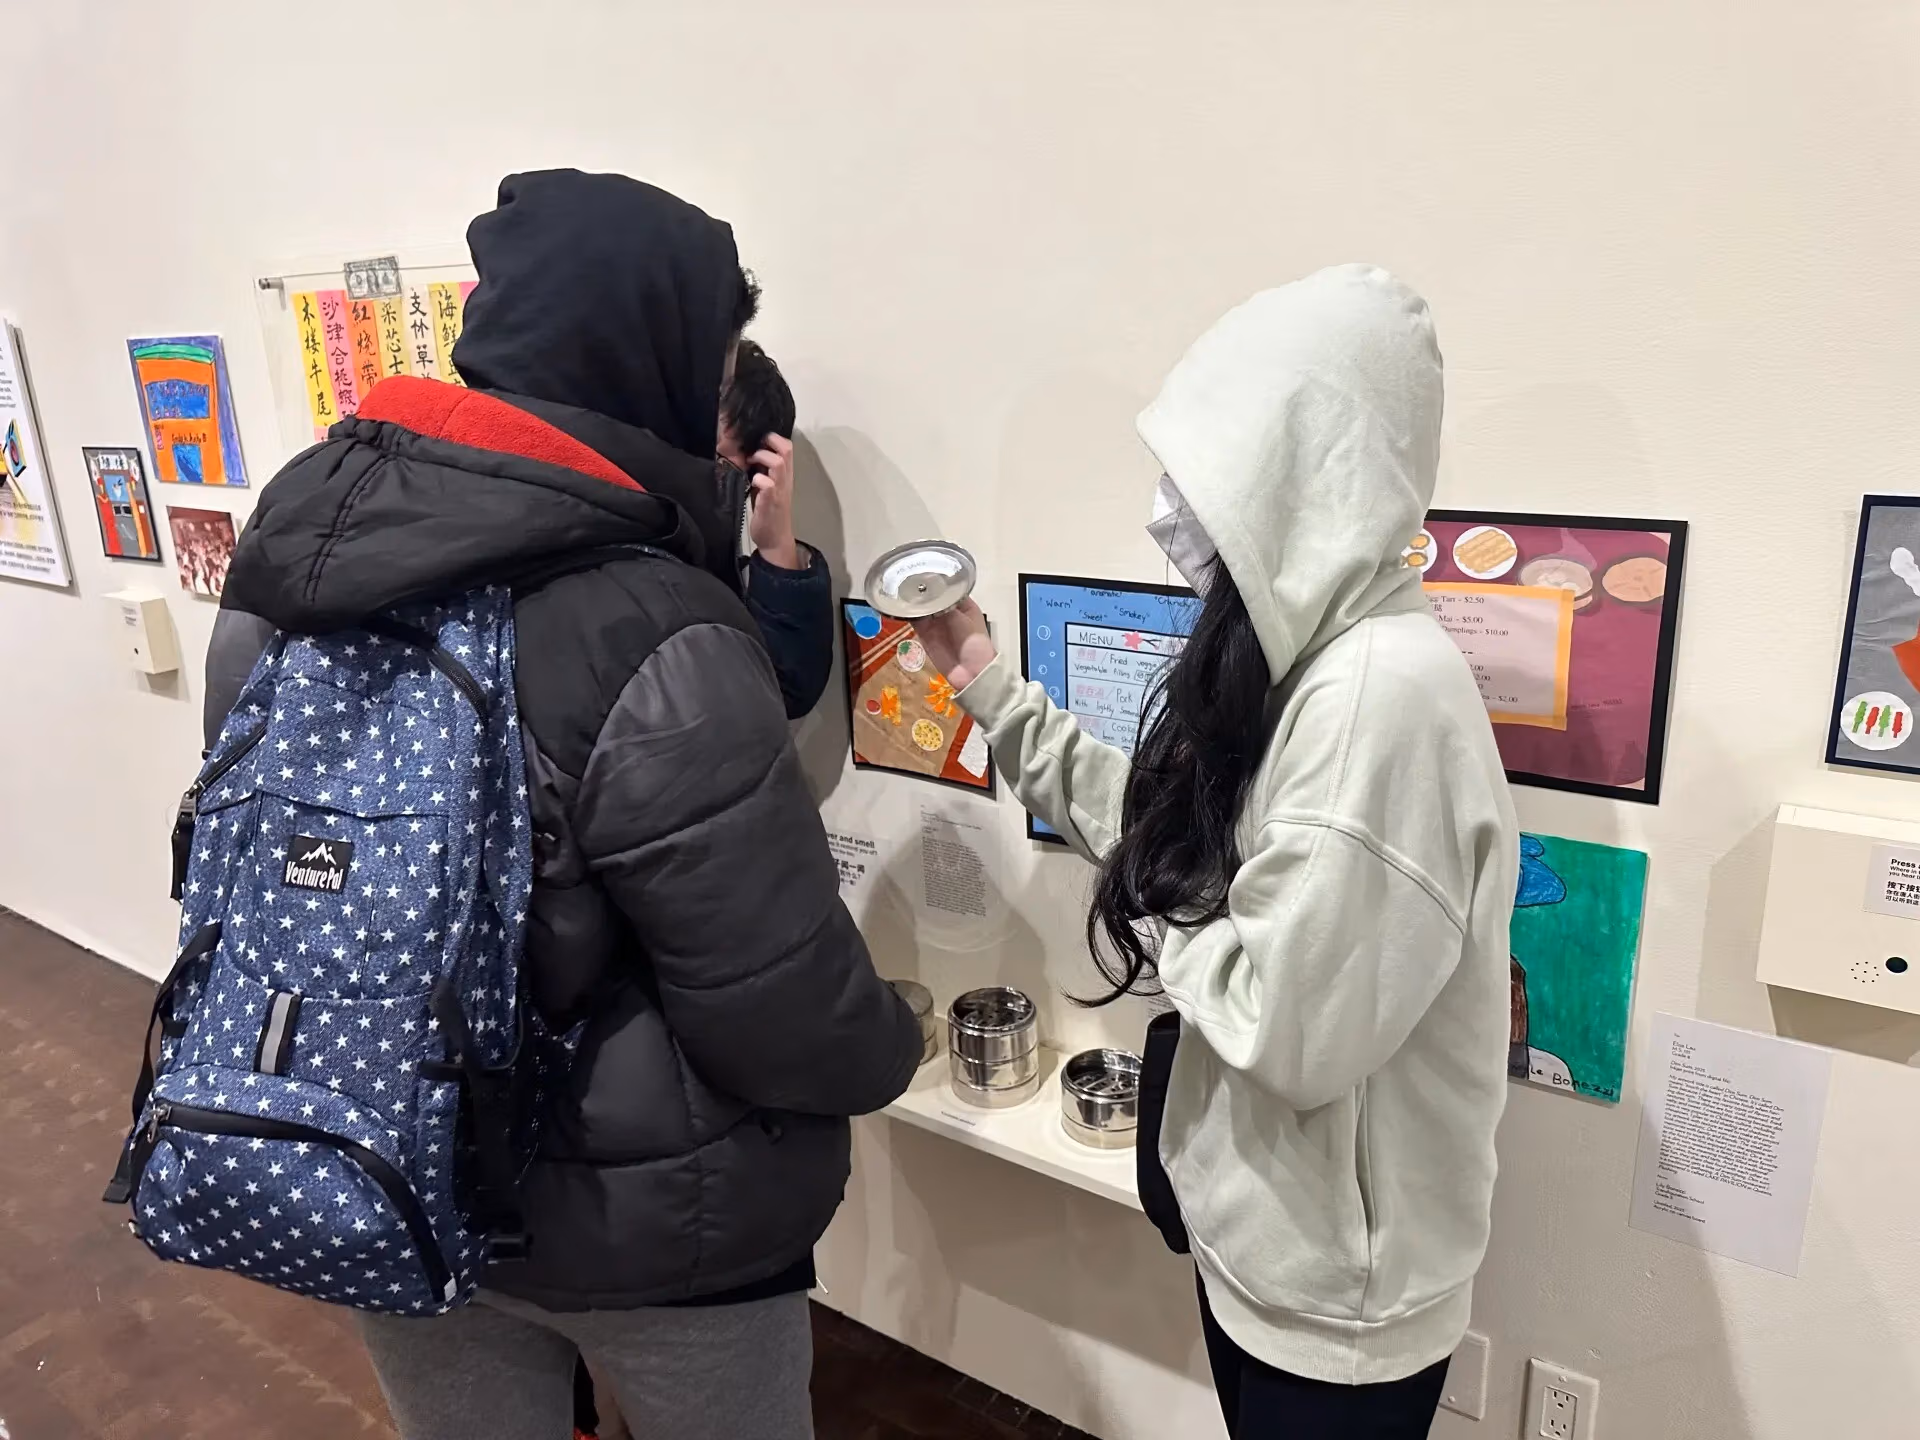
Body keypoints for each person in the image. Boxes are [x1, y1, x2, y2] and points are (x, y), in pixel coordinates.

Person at [206, 168, 922, 1440]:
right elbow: (781, 1010)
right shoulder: (659, 623)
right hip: (660, 1228)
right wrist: (891, 1043)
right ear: (647, 358)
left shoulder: (290, 568)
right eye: (714, 364)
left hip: (381, 1151)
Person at [913, 265, 1517, 1439]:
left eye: (1209, 475)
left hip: (1333, 1313)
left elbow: (1285, 1028)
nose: (1172, 511)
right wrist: (985, 681)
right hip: (1267, 1247)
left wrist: (1161, 888)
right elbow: (1161, 837)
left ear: (1306, 473)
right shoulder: (1308, 662)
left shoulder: (1379, 704)